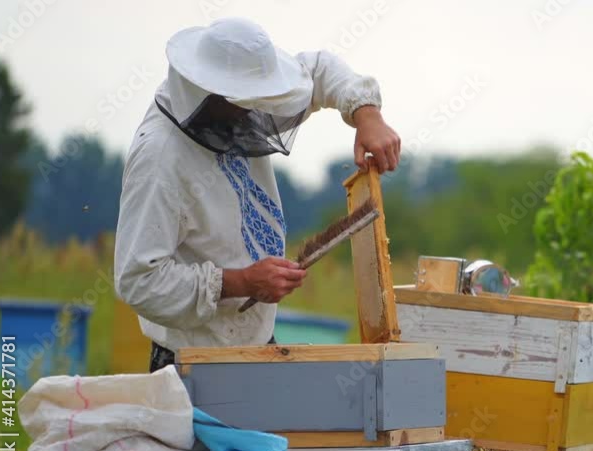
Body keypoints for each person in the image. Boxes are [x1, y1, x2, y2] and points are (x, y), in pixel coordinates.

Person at [113, 18, 400, 372]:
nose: (254, 111)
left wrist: (366, 114)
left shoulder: (233, 105)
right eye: (245, 102)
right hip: (192, 364)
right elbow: (138, 281)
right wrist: (241, 282)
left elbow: (318, 70)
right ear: (211, 93)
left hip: (257, 345)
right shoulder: (159, 159)